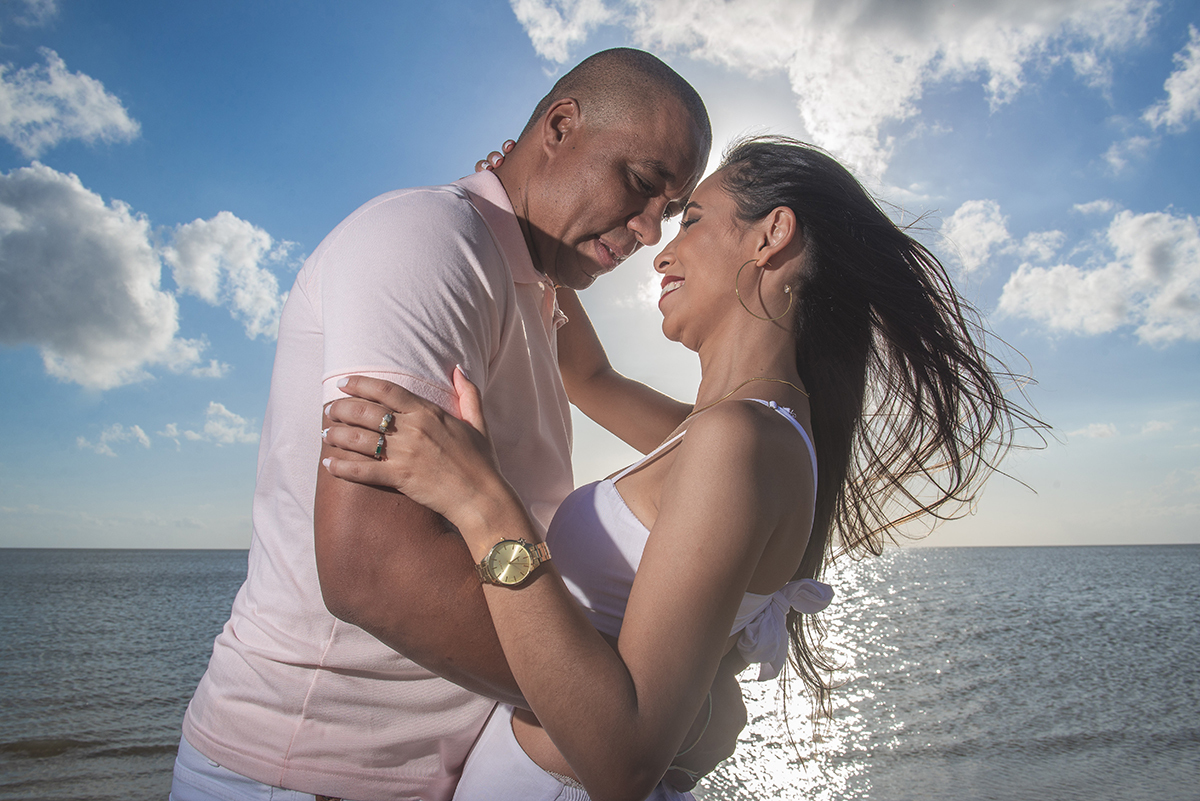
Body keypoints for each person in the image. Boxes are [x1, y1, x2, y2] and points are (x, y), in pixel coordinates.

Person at [322, 136, 1039, 800]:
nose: (661, 251)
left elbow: (624, 758)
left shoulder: (739, 441)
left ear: (772, 235)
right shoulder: (728, 434)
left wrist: (483, 505)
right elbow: (592, 377)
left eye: (692, 219)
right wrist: (526, 214)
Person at [170, 48, 721, 801]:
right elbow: (369, 565)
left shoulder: (532, 289)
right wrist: (614, 698)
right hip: (303, 774)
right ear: (560, 125)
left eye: (672, 207)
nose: (651, 230)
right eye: (641, 184)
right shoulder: (427, 241)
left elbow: (598, 378)